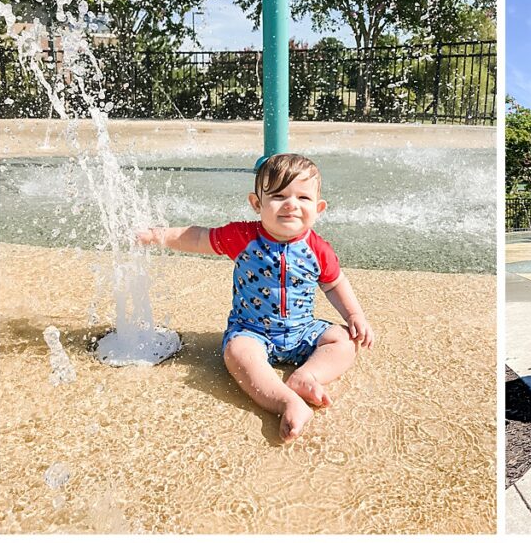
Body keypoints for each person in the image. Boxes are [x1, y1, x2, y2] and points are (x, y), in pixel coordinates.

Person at [136, 153, 374, 442]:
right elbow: (199, 237)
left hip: (302, 331)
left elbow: (334, 284)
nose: (291, 204)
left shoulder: (318, 249)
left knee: (345, 340)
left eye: (303, 198)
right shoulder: (244, 237)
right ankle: (286, 400)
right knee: (237, 353)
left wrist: (354, 315)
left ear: (319, 208)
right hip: (252, 331)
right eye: (278, 195)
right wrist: (157, 235)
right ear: (257, 204)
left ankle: (307, 376)